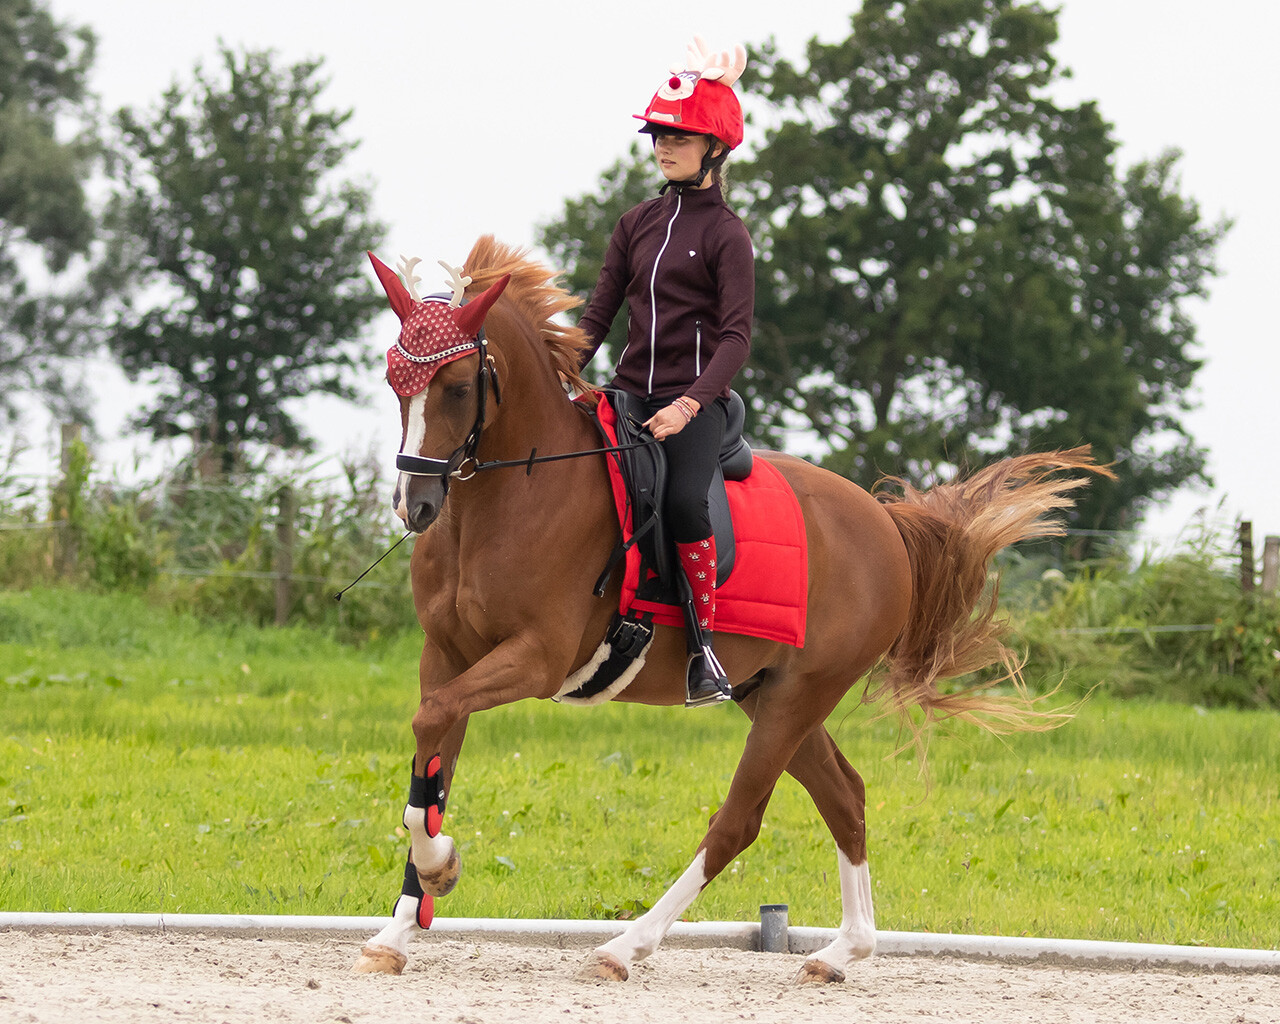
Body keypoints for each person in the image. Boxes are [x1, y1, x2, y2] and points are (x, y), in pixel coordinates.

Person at [576, 40, 754, 707]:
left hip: (695, 406)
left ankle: (704, 647)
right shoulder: (634, 224)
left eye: (678, 135)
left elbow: (736, 338)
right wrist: (567, 364)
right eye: (658, 133)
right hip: (626, 395)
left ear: (714, 146)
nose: (663, 144)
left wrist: (687, 406)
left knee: (682, 503)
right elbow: (596, 318)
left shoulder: (727, 235)